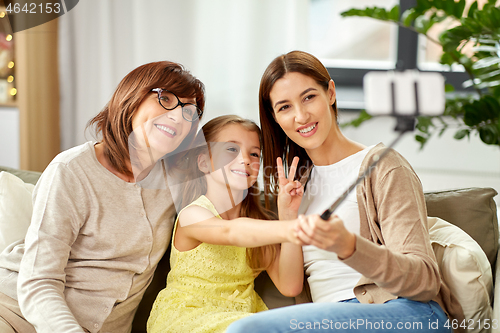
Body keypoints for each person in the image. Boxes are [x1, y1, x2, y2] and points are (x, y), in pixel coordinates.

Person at [226, 50, 465, 333]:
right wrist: (287, 217)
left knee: (247, 331)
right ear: (275, 118)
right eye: (285, 107)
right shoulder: (294, 187)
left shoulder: (383, 166)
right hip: (333, 320)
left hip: (404, 313)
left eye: (308, 97)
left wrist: (350, 246)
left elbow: (423, 281)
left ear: (330, 93)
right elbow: (292, 285)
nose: (301, 116)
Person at [0, 61, 205, 333]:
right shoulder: (71, 171)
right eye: (165, 98)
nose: (178, 116)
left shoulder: (177, 181)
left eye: (189, 110)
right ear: (131, 98)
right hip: (17, 314)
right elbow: (39, 281)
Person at [147, 115, 305, 333]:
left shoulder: (259, 226)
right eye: (231, 149)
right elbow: (230, 232)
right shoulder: (192, 214)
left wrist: (288, 216)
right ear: (203, 162)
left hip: (242, 320)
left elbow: (290, 286)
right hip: (190, 317)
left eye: (254, 153)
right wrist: (292, 229)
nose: (245, 159)